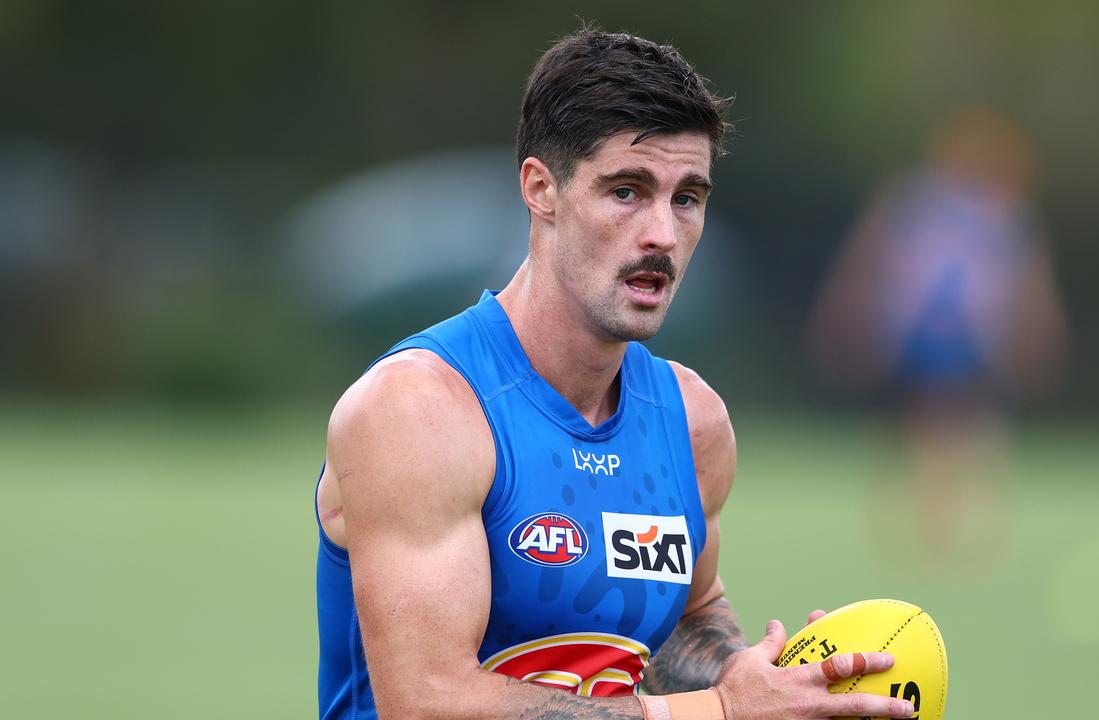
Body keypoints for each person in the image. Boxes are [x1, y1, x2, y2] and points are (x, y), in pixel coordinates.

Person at [314, 27, 918, 720]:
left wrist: (774, 684)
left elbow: (684, 621)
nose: (662, 232)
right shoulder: (422, 409)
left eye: (687, 198)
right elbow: (427, 704)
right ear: (541, 189)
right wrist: (718, 712)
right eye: (628, 191)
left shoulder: (690, 423)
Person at [808, 108, 1068, 572]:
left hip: (969, 337)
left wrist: (1037, 329)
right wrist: (852, 310)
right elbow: (872, 256)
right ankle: (927, 521)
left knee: (963, 423)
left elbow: (1026, 280)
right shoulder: (916, 202)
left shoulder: (1001, 210)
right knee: (926, 424)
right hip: (921, 334)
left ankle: (956, 520)